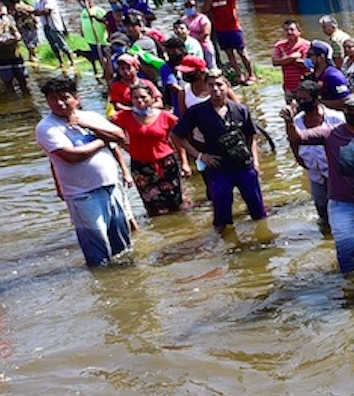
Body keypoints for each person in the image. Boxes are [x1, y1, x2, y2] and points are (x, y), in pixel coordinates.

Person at [288, 92, 354, 275]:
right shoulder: (330, 133)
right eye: (349, 109)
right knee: (345, 250)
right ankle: (349, 284)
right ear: (344, 112)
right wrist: (289, 121)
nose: (353, 113)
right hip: (341, 204)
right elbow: (298, 138)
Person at [36, 74, 135, 267]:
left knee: (122, 244)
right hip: (82, 194)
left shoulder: (91, 117)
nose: (60, 103)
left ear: (76, 98)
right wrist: (103, 140)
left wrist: (87, 125)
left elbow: (121, 136)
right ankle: (104, 281)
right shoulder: (46, 127)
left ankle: (128, 276)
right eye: (53, 98)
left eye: (64, 97)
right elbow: (72, 155)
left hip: (110, 186)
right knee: (96, 246)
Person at [171, 73, 267, 231]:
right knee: (222, 218)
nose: (216, 89)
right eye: (211, 86)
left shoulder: (240, 109)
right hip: (218, 168)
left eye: (219, 85)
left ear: (227, 86)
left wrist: (255, 161)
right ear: (206, 88)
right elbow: (176, 135)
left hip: (244, 166)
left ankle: (264, 241)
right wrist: (200, 156)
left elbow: (251, 136)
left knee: (258, 211)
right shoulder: (197, 112)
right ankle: (226, 248)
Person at [113, 80, 185, 217]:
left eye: (143, 97)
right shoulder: (123, 117)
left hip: (166, 164)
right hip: (141, 167)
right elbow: (111, 134)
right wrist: (126, 146)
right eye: (135, 97)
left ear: (152, 98)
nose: (139, 100)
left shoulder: (166, 116)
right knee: (152, 207)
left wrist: (185, 163)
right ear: (131, 100)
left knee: (175, 203)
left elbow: (179, 139)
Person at [286, 78, 340, 236]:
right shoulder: (295, 122)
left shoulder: (335, 118)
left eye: (305, 99)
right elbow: (293, 141)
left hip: (335, 172)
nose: (301, 103)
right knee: (321, 207)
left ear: (316, 99)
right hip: (313, 170)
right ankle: (327, 234)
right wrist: (298, 158)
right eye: (298, 99)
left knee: (339, 206)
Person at [204, 0, 253, 82]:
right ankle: (239, 75)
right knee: (229, 54)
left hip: (234, 29)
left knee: (242, 52)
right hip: (221, 30)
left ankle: (251, 74)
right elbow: (205, 9)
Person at [0, 7, 30, 94]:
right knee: (8, 83)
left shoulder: (7, 23)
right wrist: (10, 40)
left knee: (23, 81)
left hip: (15, 56)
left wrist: (8, 40)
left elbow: (18, 36)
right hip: (1, 58)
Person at [34, 0, 74, 71]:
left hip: (55, 26)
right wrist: (38, 12)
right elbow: (36, 12)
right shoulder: (38, 1)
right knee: (54, 46)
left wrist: (38, 12)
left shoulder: (50, 0)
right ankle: (61, 63)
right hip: (46, 26)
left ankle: (72, 63)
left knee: (63, 46)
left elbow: (46, 11)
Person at [271, 20, 310, 95]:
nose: (289, 32)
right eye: (286, 30)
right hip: (288, 86)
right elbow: (275, 62)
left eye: (292, 29)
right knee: (289, 106)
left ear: (299, 31)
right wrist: (292, 57)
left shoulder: (307, 45)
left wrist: (283, 60)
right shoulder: (280, 45)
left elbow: (307, 64)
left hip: (305, 86)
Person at [79, 0, 112, 81]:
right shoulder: (84, 11)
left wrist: (95, 17)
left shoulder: (98, 10)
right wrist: (82, 31)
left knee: (104, 57)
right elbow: (82, 22)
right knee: (97, 57)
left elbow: (106, 22)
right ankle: (102, 71)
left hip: (100, 39)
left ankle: (108, 73)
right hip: (90, 39)